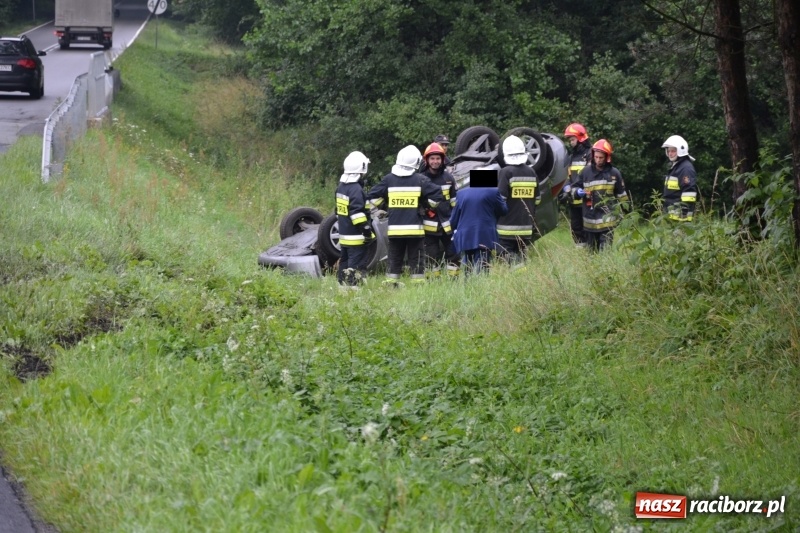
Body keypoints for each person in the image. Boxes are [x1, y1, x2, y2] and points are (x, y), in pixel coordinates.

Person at [367, 145, 445, 285]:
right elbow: (438, 197)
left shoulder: (388, 180)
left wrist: (386, 204)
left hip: (395, 230)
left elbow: (372, 197)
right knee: (416, 259)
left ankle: (392, 284)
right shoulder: (421, 180)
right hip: (415, 230)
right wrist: (425, 206)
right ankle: (418, 286)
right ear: (416, 162)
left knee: (395, 258)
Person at [571, 139, 629, 252]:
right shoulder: (585, 172)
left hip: (608, 221)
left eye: (601, 157)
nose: (598, 160)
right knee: (591, 255)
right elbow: (574, 188)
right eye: (596, 157)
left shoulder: (614, 173)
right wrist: (577, 192)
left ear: (607, 157)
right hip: (589, 222)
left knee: (605, 254)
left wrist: (628, 214)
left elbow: (622, 196)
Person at [496, 135, 540, 261]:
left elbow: (500, 200)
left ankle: (515, 266)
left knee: (505, 255)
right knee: (522, 258)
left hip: (506, 229)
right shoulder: (532, 172)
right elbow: (537, 200)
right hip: (526, 228)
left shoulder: (505, 172)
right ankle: (521, 275)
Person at [450, 182, 508, 274]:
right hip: (484, 234)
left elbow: (453, 219)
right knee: (482, 265)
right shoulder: (493, 192)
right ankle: (480, 284)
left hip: (465, 235)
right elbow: (503, 210)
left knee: (467, 265)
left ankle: (468, 285)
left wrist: (454, 232)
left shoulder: (461, 193)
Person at [420, 142, 460, 277]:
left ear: (442, 160)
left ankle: (454, 280)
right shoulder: (421, 178)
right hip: (429, 226)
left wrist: (457, 222)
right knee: (431, 258)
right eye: (432, 158)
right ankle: (433, 283)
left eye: (438, 158)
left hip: (448, 225)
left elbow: (454, 202)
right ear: (427, 160)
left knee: (454, 254)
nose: (435, 161)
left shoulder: (448, 178)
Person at [335, 151, 373, 286]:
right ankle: (353, 289)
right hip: (356, 237)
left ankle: (342, 287)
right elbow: (357, 214)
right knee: (356, 265)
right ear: (362, 168)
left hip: (344, 236)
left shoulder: (341, 187)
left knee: (344, 262)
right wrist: (367, 231)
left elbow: (338, 211)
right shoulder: (356, 189)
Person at [560, 123, 592, 247]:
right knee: (576, 228)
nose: (571, 142)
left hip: (587, 200)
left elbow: (590, 176)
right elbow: (568, 176)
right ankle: (581, 255)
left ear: (580, 139)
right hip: (574, 200)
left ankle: (591, 253)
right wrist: (566, 188)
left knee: (589, 228)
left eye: (572, 139)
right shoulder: (572, 156)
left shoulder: (591, 154)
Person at [661, 135, 698, 222]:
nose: (670, 153)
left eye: (673, 151)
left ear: (681, 150)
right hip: (672, 213)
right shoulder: (676, 166)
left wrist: (684, 212)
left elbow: (689, 193)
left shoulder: (685, 168)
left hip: (680, 216)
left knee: (680, 235)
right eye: (668, 150)